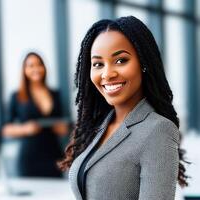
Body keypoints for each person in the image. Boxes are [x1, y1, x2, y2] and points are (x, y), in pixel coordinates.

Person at [58, 16, 189, 200]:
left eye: (120, 60)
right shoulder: (101, 125)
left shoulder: (158, 130)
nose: (107, 74)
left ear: (143, 62)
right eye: (98, 64)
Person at [2, 52, 69, 178]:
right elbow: (6, 130)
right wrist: (25, 129)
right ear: (24, 70)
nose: (36, 69)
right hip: (29, 157)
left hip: (53, 155)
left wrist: (63, 129)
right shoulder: (17, 96)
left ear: (44, 67)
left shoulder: (55, 94)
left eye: (39, 65)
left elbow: (65, 124)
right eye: (31, 66)